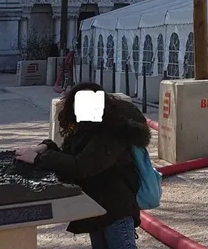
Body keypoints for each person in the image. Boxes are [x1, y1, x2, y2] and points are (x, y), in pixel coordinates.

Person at [15, 82, 152, 249]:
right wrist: (46, 147)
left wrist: (39, 159)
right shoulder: (87, 126)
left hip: (116, 207)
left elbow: (83, 165)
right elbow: (71, 154)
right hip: (96, 206)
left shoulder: (112, 132)